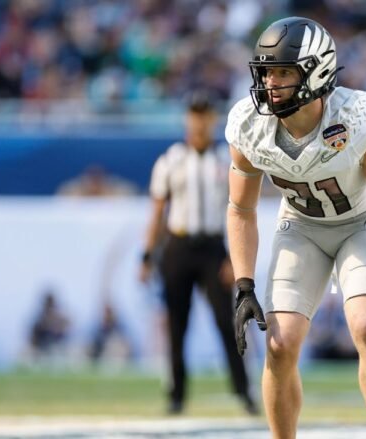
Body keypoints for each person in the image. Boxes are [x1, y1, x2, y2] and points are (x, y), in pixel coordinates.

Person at [226, 17, 366, 439]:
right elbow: (240, 209)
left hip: (361, 224)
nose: (270, 83)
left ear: (316, 71)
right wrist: (244, 285)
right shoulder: (248, 125)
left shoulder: (358, 118)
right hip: (300, 227)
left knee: (365, 325)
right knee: (280, 345)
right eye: (266, 72)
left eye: (283, 72)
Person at [139, 90, 258, 415]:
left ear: (213, 119)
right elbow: (157, 212)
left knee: (227, 321)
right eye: (194, 115)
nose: (199, 122)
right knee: (177, 324)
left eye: (205, 115)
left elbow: (240, 211)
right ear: (187, 120)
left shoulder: (226, 159)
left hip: (213, 248)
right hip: (178, 246)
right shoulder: (171, 160)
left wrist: (235, 259)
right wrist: (147, 255)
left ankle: (243, 390)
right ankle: (176, 394)